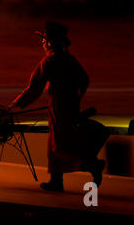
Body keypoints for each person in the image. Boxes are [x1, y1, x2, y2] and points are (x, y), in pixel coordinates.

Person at [9, 21, 105, 192]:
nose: (42, 44)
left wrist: (17, 104)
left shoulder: (50, 61)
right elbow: (84, 80)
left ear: (50, 42)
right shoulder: (69, 59)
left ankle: (91, 165)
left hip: (59, 106)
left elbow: (35, 87)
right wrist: (76, 96)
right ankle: (56, 181)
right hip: (70, 105)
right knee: (57, 143)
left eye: (44, 41)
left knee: (59, 145)